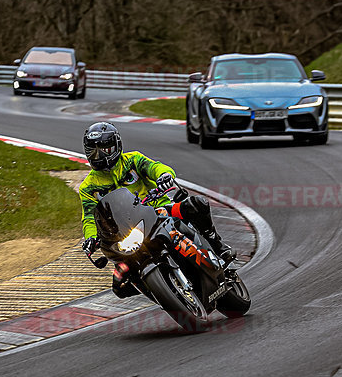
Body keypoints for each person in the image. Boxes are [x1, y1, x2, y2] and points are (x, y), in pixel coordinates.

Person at [79, 122, 235, 294]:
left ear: (116, 145)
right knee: (119, 287)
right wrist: (91, 238)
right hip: (124, 233)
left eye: (104, 149)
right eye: (92, 150)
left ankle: (217, 245)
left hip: (158, 210)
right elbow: (89, 216)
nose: (98, 154)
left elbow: (154, 167)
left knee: (197, 205)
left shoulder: (133, 160)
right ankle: (159, 289)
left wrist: (165, 175)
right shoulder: (88, 187)